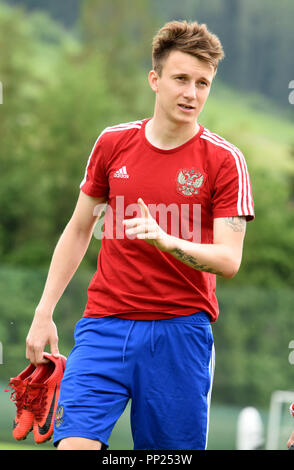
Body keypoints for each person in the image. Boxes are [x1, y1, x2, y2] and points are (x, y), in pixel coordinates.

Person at [26, 20, 255, 450]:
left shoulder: (226, 161)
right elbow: (78, 230)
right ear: (155, 79)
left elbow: (230, 260)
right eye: (181, 79)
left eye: (202, 83)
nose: (192, 93)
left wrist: (168, 241)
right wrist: (43, 311)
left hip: (180, 334)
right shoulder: (113, 144)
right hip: (103, 326)